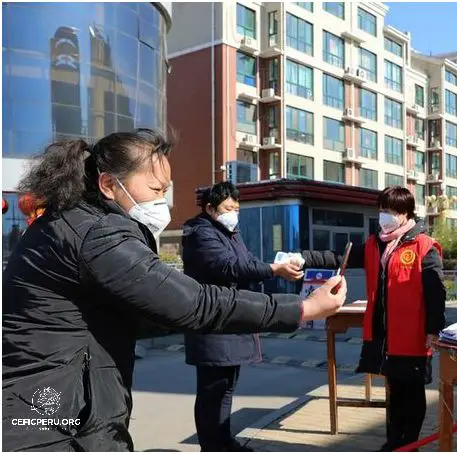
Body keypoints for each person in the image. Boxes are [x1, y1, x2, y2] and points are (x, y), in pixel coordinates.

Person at [1, 129, 347, 452]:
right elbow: (193, 303)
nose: (163, 203)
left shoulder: (73, 222)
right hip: (52, 415)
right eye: (155, 191)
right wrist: (302, 308)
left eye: (166, 190)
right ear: (108, 184)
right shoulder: (97, 234)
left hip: (56, 399)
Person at [181, 182, 306, 451]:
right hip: (212, 323)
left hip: (230, 321)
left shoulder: (230, 232)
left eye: (237, 208)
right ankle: (211, 446)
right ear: (210, 208)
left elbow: (246, 263)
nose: (234, 213)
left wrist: (274, 266)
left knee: (226, 387)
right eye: (228, 208)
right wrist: (274, 269)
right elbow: (230, 267)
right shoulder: (200, 233)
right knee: (212, 391)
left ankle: (223, 441)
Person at [355, 186, 446, 451]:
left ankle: (410, 444)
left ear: (405, 213)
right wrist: (305, 258)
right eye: (382, 209)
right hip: (387, 337)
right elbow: (343, 257)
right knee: (395, 392)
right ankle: (394, 443)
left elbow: (436, 293)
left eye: (391, 211)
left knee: (413, 393)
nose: (384, 216)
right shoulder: (375, 243)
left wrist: (434, 329)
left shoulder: (423, 246)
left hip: (414, 336)